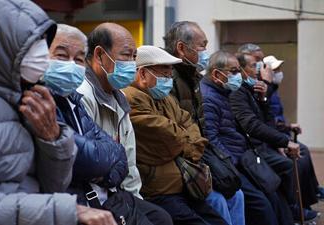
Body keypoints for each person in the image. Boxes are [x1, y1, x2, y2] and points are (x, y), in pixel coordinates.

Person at [0, 1, 114, 225]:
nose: (42, 52)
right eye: (31, 43)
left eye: (44, 41)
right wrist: (68, 210)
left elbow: (54, 185)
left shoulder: (30, 96)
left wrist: (53, 138)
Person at [123, 45, 245, 225]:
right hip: (159, 190)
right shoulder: (131, 98)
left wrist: (185, 143)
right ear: (142, 74)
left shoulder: (164, 98)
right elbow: (165, 137)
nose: (168, 78)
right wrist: (187, 143)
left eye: (170, 74)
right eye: (164, 74)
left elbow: (189, 123)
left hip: (184, 183)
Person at [77, 22, 173, 225]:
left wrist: (136, 202)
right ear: (100, 55)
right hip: (94, 197)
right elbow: (93, 164)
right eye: (126, 55)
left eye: (134, 57)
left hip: (117, 192)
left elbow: (128, 159)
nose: (131, 64)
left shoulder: (118, 97)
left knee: (162, 218)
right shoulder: (83, 95)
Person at [200, 50, 293, 225]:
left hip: (243, 156)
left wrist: (263, 97)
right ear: (216, 74)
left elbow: (262, 120)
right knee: (261, 203)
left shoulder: (225, 91)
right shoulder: (210, 98)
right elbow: (211, 140)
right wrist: (234, 163)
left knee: (272, 190)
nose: (240, 75)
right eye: (234, 71)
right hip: (231, 163)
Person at [231, 51, 318, 223]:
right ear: (242, 70)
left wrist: (264, 96)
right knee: (287, 166)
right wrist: (283, 140)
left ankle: (301, 204)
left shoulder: (255, 87)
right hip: (249, 149)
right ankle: (294, 208)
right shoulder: (239, 91)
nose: (258, 70)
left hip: (261, 143)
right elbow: (253, 125)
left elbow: (267, 118)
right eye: (253, 66)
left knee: (300, 156)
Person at [264, 55, 323, 206]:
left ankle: (313, 190)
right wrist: (286, 130)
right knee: (300, 156)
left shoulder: (273, 89)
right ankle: (300, 204)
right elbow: (267, 121)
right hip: (272, 138)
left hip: (280, 133)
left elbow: (275, 117)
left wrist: (287, 127)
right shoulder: (265, 90)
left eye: (279, 69)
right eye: (275, 70)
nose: (279, 72)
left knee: (303, 151)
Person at [164, 21, 208, 133]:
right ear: (181, 48)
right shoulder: (166, 80)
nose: (206, 52)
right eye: (202, 46)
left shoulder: (193, 76)